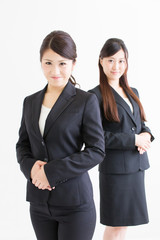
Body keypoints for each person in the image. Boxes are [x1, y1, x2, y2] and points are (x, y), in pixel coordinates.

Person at [16, 30, 105, 240]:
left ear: (73, 64)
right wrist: (32, 170)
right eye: (48, 63)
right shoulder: (30, 101)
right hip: (39, 204)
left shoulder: (85, 101)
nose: (55, 70)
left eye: (62, 63)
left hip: (75, 205)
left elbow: (97, 150)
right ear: (40, 62)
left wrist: (51, 172)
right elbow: (22, 146)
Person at [89, 38, 154, 240]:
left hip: (136, 167)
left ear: (126, 63)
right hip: (115, 171)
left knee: (124, 224)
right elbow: (97, 137)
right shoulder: (95, 96)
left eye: (121, 61)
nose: (116, 66)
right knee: (116, 224)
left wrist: (146, 135)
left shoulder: (132, 92)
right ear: (101, 61)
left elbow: (141, 125)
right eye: (110, 60)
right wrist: (133, 140)